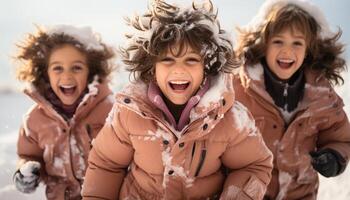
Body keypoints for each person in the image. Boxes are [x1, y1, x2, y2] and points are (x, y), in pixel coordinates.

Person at [82, 0, 273, 199]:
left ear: (206, 66)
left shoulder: (229, 116)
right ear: (152, 67)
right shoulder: (128, 113)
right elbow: (106, 164)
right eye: (167, 60)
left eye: (191, 60)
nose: (179, 69)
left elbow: (253, 166)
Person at [233, 0, 350, 199]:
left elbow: (339, 137)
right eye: (278, 41)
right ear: (264, 45)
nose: (287, 51)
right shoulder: (240, 89)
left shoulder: (321, 96)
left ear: (308, 50)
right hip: (252, 193)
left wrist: (333, 155)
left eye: (297, 43)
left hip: (300, 193)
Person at [13, 24, 115, 200]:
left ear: (90, 72)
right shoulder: (34, 119)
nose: (67, 76)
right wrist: (27, 170)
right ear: (45, 73)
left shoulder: (111, 110)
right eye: (57, 68)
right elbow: (28, 154)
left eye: (76, 68)